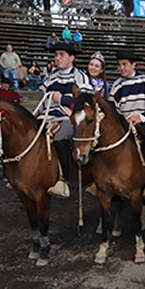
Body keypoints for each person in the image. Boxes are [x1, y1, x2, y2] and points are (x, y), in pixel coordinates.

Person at [39, 42, 95, 198]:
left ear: (72, 57)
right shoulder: (50, 78)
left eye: (61, 55)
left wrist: (62, 99)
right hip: (46, 116)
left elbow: (84, 101)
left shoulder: (81, 76)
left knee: (61, 137)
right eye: (56, 55)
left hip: (68, 118)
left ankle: (67, 181)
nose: (57, 58)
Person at [107, 49, 145, 137]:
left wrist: (142, 117)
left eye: (124, 64)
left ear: (133, 64)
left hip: (144, 122)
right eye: (119, 65)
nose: (121, 68)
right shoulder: (116, 85)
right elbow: (112, 107)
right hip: (124, 123)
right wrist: (120, 117)